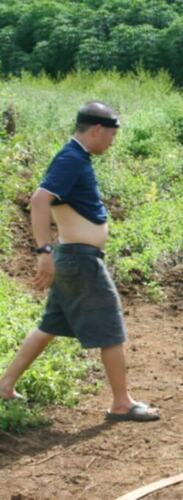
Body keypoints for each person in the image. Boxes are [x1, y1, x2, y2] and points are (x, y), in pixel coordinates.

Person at [0, 102, 160, 422]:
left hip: (75, 258)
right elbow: (39, 200)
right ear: (97, 130)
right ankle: (122, 403)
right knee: (111, 326)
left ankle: (4, 385)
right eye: (111, 135)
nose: (112, 142)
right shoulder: (71, 158)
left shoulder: (76, 158)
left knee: (50, 325)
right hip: (79, 260)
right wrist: (44, 251)